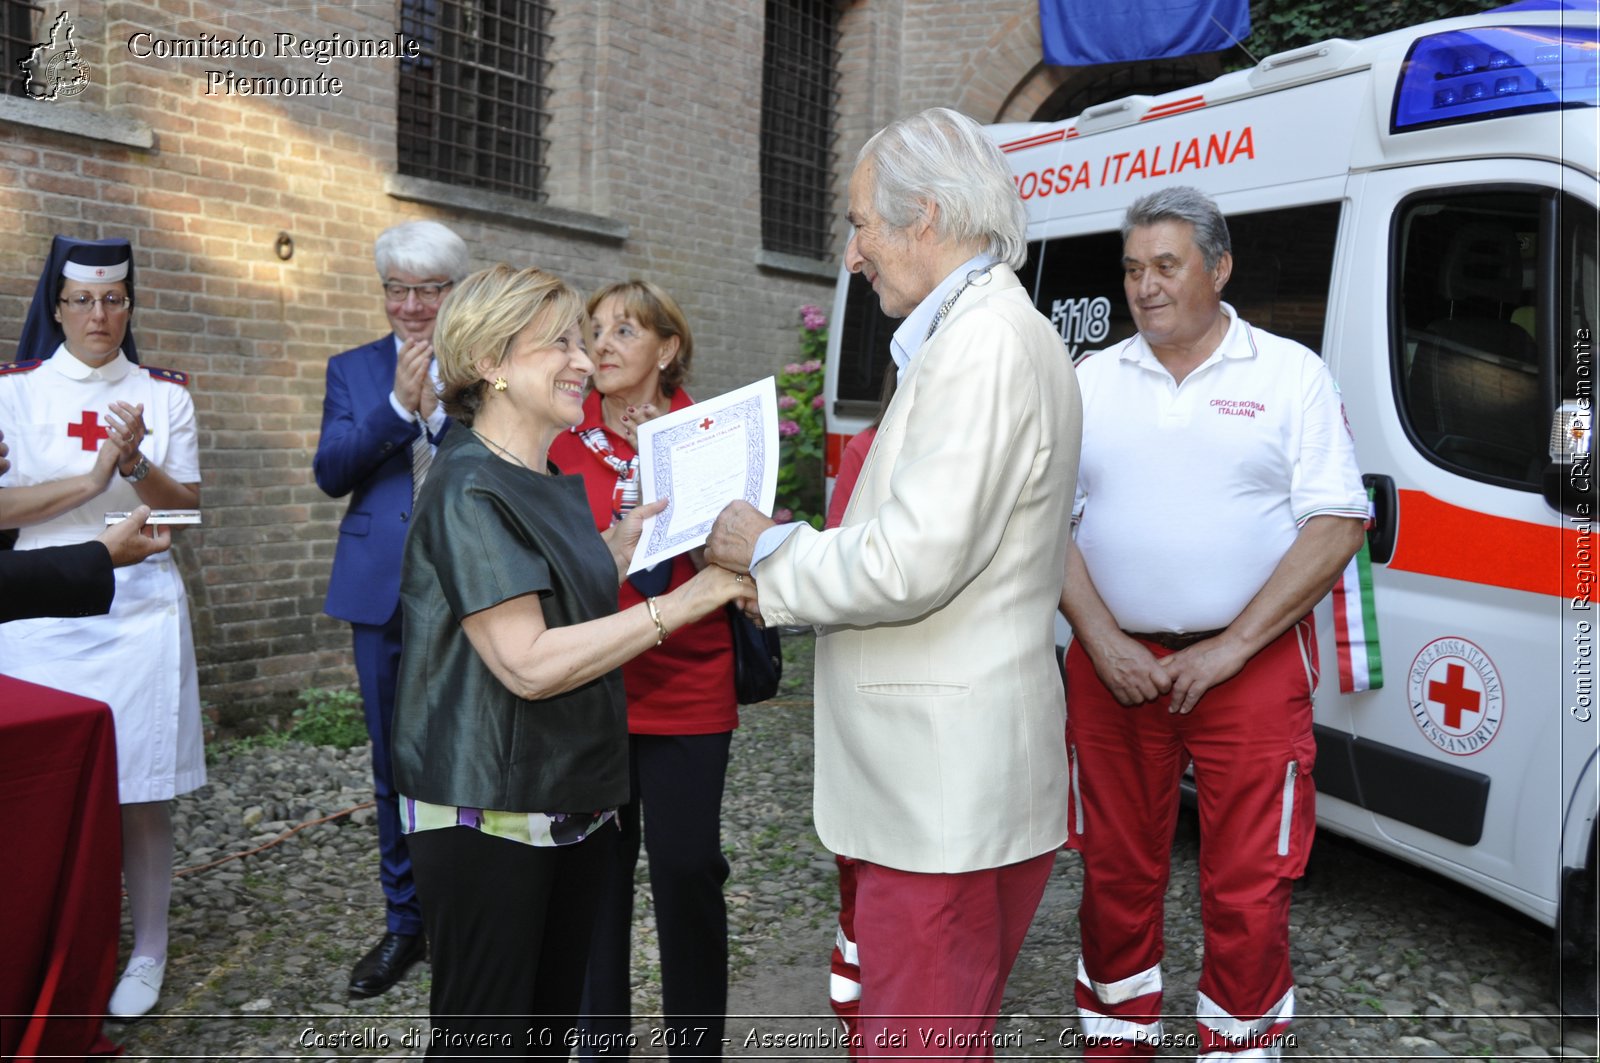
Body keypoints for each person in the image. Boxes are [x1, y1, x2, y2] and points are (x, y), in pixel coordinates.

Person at [706, 107, 1082, 1057]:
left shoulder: (985, 341)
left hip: (942, 795)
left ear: (926, 218)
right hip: (948, 783)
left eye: (862, 221)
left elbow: (916, 559)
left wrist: (769, 552)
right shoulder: (977, 331)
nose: (853, 251)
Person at [389, 264, 752, 1057]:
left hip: (561, 804)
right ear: (490, 363)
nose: (585, 361)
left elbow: (544, 593)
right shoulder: (468, 488)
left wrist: (614, 556)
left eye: (584, 342)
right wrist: (684, 602)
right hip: (489, 811)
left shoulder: (534, 475)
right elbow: (526, 660)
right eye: (559, 343)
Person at [1060, 186, 1367, 1059]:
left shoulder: (1289, 374)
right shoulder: (1089, 380)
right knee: (1116, 873)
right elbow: (1041, 523)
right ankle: (1116, 1040)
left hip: (1253, 667)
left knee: (1250, 882)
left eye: (1166, 265)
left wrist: (1233, 647)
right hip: (1112, 666)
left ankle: (1240, 1045)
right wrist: (1103, 638)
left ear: (1219, 268)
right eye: (1131, 269)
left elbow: (1337, 522)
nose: (1145, 287)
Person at [0, 235, 203, 1019]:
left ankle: (147, 945)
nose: (99, 314)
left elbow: (180, 510)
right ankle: (52, 936)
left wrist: (132, 465)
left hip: (138, 606)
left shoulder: (164, 394)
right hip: (38, 606)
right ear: (56, 305)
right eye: (82, 299)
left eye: (114, 299)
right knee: (41, 785)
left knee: (143, 788)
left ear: (129, 305)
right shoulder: (14, 390)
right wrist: (87, 479)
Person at [547, 281, 736, 1059]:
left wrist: (680, 467)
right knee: (596, 882)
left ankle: (696, 1048)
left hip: (691, 679)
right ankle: (602, 1049)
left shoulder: (712, 433)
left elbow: (741, 546)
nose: (604, 342)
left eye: (626, 328)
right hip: (596, 684)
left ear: (667, 348)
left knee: (688, 872)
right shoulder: (561, 440)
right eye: (595, 329)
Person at [313, 219, 468, 998]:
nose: (409, 306)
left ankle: (459, 914)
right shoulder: (351, 369)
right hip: (378, 593)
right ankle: (405, 921)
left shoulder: (481, 367)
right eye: (396, 289)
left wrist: (438, 415)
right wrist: (397, 411)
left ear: (454, 292)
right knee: (391, 764)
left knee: (464, 752)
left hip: (466, 591)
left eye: (427, 289)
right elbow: (331, 471)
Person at [820, 365, 894, 1051]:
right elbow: (837, 566)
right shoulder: (874, 449)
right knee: (866, 868)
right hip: (876, 698)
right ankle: (857, 1001)